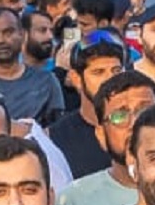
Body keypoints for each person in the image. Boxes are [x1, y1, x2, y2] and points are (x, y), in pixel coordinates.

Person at [48, 71, 155, 205]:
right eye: (119, 116)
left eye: (145, 111)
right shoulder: (71, 201)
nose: (135, 124)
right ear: (101, 135)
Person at [45, 37, 126, 178]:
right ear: (76, 79)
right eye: (98, 72)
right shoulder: (53, 138)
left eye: (116, 70)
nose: (110, 80)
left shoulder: (139, 126)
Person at [0, 7, 63, 123]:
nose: (0, 40)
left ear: (23, 35)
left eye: (8, 32)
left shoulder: (47, 82)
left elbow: (56, 129)